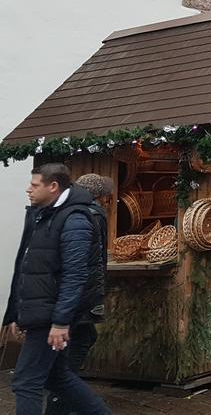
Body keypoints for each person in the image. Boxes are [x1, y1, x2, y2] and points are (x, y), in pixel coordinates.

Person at [3, 164, 111, 415]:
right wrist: (16, 313)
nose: (28, 189)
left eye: (35, 184)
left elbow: (75, 275)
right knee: (58, 378)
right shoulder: (44, 214)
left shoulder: (75, 219)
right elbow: (27, 266)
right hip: (42, 311)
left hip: (51, 315)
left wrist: (61, 322)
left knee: (26, 382)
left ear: (53, 187)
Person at [44, 174, 112, 415]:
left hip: (69, 297)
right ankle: (60, 404)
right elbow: (88, 263)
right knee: (74, 348)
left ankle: (63, 399)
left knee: (78, 342)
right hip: (80, 297)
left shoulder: (61, 211)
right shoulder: (92, 214)